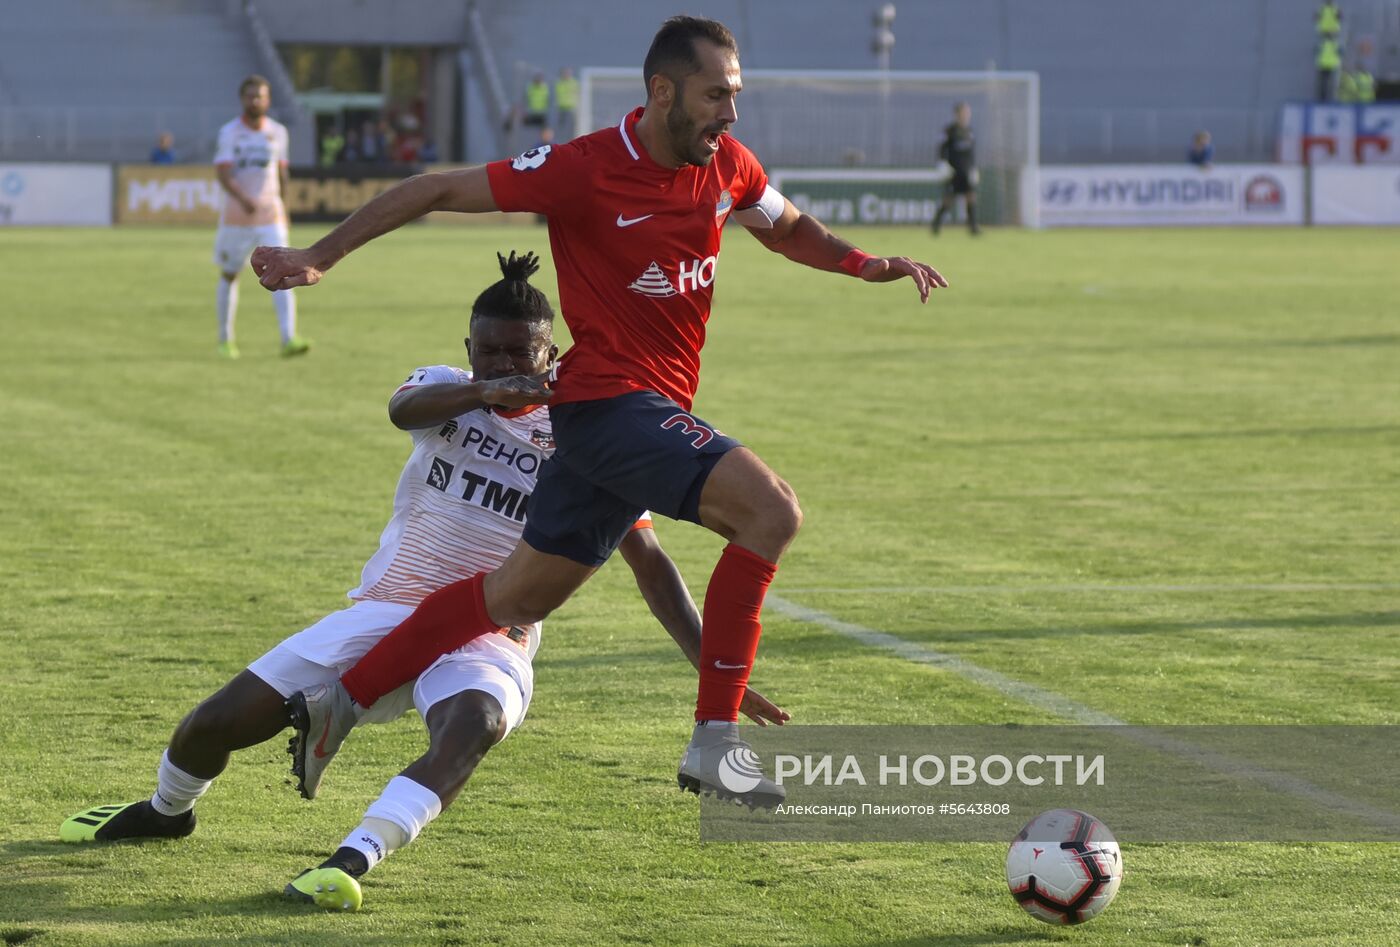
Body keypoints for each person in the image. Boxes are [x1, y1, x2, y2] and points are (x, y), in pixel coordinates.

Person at [251, 15, 945, 810]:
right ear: (663, 91)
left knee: (514, 596)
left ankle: (338, 701)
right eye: (717, 94)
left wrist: (865, 265)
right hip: (610, 403)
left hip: (618, 422)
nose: (731, 112)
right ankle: (716, 744)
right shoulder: (582, 168)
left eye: (736, 94)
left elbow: (787, 228)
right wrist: (318, 255)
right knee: (771, 512)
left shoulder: (727, 167)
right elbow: (438, 186)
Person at [58, 252, 788, 912]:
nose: (504, 365)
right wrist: (484, 389)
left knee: (471, 724)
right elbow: (401, 407)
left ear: (552, 353)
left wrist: (712, 668)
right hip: (388, 609)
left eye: (521, 354)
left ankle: (351, 858)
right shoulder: (444, 391)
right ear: (469, 349)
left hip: (489, 633)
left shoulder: (586, 438)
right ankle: (166, 810)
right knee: (211, 725)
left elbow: (652, 566)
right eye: (489, 351)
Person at [213, 76, 310, 359]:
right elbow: (223, 173)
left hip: (270, 215)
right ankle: (225, 338)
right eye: (251, 96)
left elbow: (282, 174)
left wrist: (285, 209)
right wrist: (244, 200)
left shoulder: (278, 132)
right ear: (243, 99)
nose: (256, 100)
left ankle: (288, 338)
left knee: (285, 272)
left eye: (261, 96)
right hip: (237, 217)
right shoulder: (229, 133)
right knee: (230, 274)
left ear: (267, 100)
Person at [931, 102, 979, 236]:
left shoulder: (970, 132)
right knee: (948, 199)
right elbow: (941, 148)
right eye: (963, 112)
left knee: (971, 196)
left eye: (967, 112)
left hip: (967, 171)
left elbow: (971, 152)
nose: (966, 115)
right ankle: (936, 225)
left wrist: (974, 168)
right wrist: (942, 163)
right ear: (957, 114)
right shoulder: (949, 131)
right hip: (953, 171)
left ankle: (973, 227)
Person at [555, 66, 580, 139]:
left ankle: (573, 137)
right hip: (561, 107)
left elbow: (578, 93)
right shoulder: (559, 82)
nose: (566, 75)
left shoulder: (574, 83)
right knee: (561, 126)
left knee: (572, 126)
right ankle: (561, 137)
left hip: (571, 107)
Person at [1317, 36, 1342, 101]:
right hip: (1331, 65)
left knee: (1323, 82)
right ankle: (1331, 96)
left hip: (1323, 64)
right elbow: (1341, 52)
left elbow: (1316, 51)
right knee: (1331, 82)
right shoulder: (1335, 45)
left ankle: (1322, 97)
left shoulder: (1322, 44)